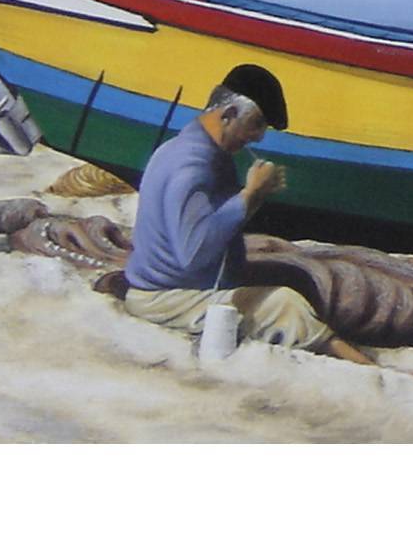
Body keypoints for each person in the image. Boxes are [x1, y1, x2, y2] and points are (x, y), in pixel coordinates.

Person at [122, 64, 380, 368]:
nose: (257, 137)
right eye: (256, 124)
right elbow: (193, 252)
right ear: (228, 114)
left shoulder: (193, 151)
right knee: (284, 303)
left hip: (184, 287)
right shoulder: (192, 165)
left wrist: (254, 197)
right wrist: (249, 195)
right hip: (167, 298)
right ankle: (363, 364)